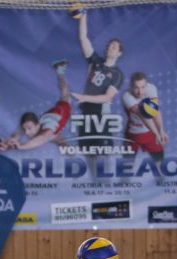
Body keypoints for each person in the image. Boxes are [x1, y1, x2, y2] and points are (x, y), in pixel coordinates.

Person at [72, 10, 124, 156]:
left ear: (119, 53)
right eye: (109, 45)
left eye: (114, 47)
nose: (110, 48)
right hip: (86, 110)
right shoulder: (96, 61)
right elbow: (83, 37)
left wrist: (84, 97)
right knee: (87, 149)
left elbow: (107, 97)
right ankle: (91, 171)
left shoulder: (118, 74)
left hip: (101, 113)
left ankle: (109, 171)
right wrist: (83, 15)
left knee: (105, 150)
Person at [0, 61, 73, 152]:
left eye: (29, 128)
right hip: (50, 118)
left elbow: (43, 138)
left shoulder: (49, 126)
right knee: (62, 144)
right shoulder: (28, 126)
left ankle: (60, 70)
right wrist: (9, 142)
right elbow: (18, 133)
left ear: (38, 125)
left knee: (65, 93)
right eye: (25, 129)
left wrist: (21, 147)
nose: (26, 132)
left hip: (62, 109)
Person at [121, 71, 169, 162]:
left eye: (143, 87)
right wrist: (157, 133)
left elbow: (155, 111)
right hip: (133, 134)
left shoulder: (151, 89)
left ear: (146, 85)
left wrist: (161, 131)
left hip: (150, 133)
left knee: (160, 163)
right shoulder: (126, 96)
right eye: (136, 88)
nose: (140, 92)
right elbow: (143, 115)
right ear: (131, 86)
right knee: (126, 165)